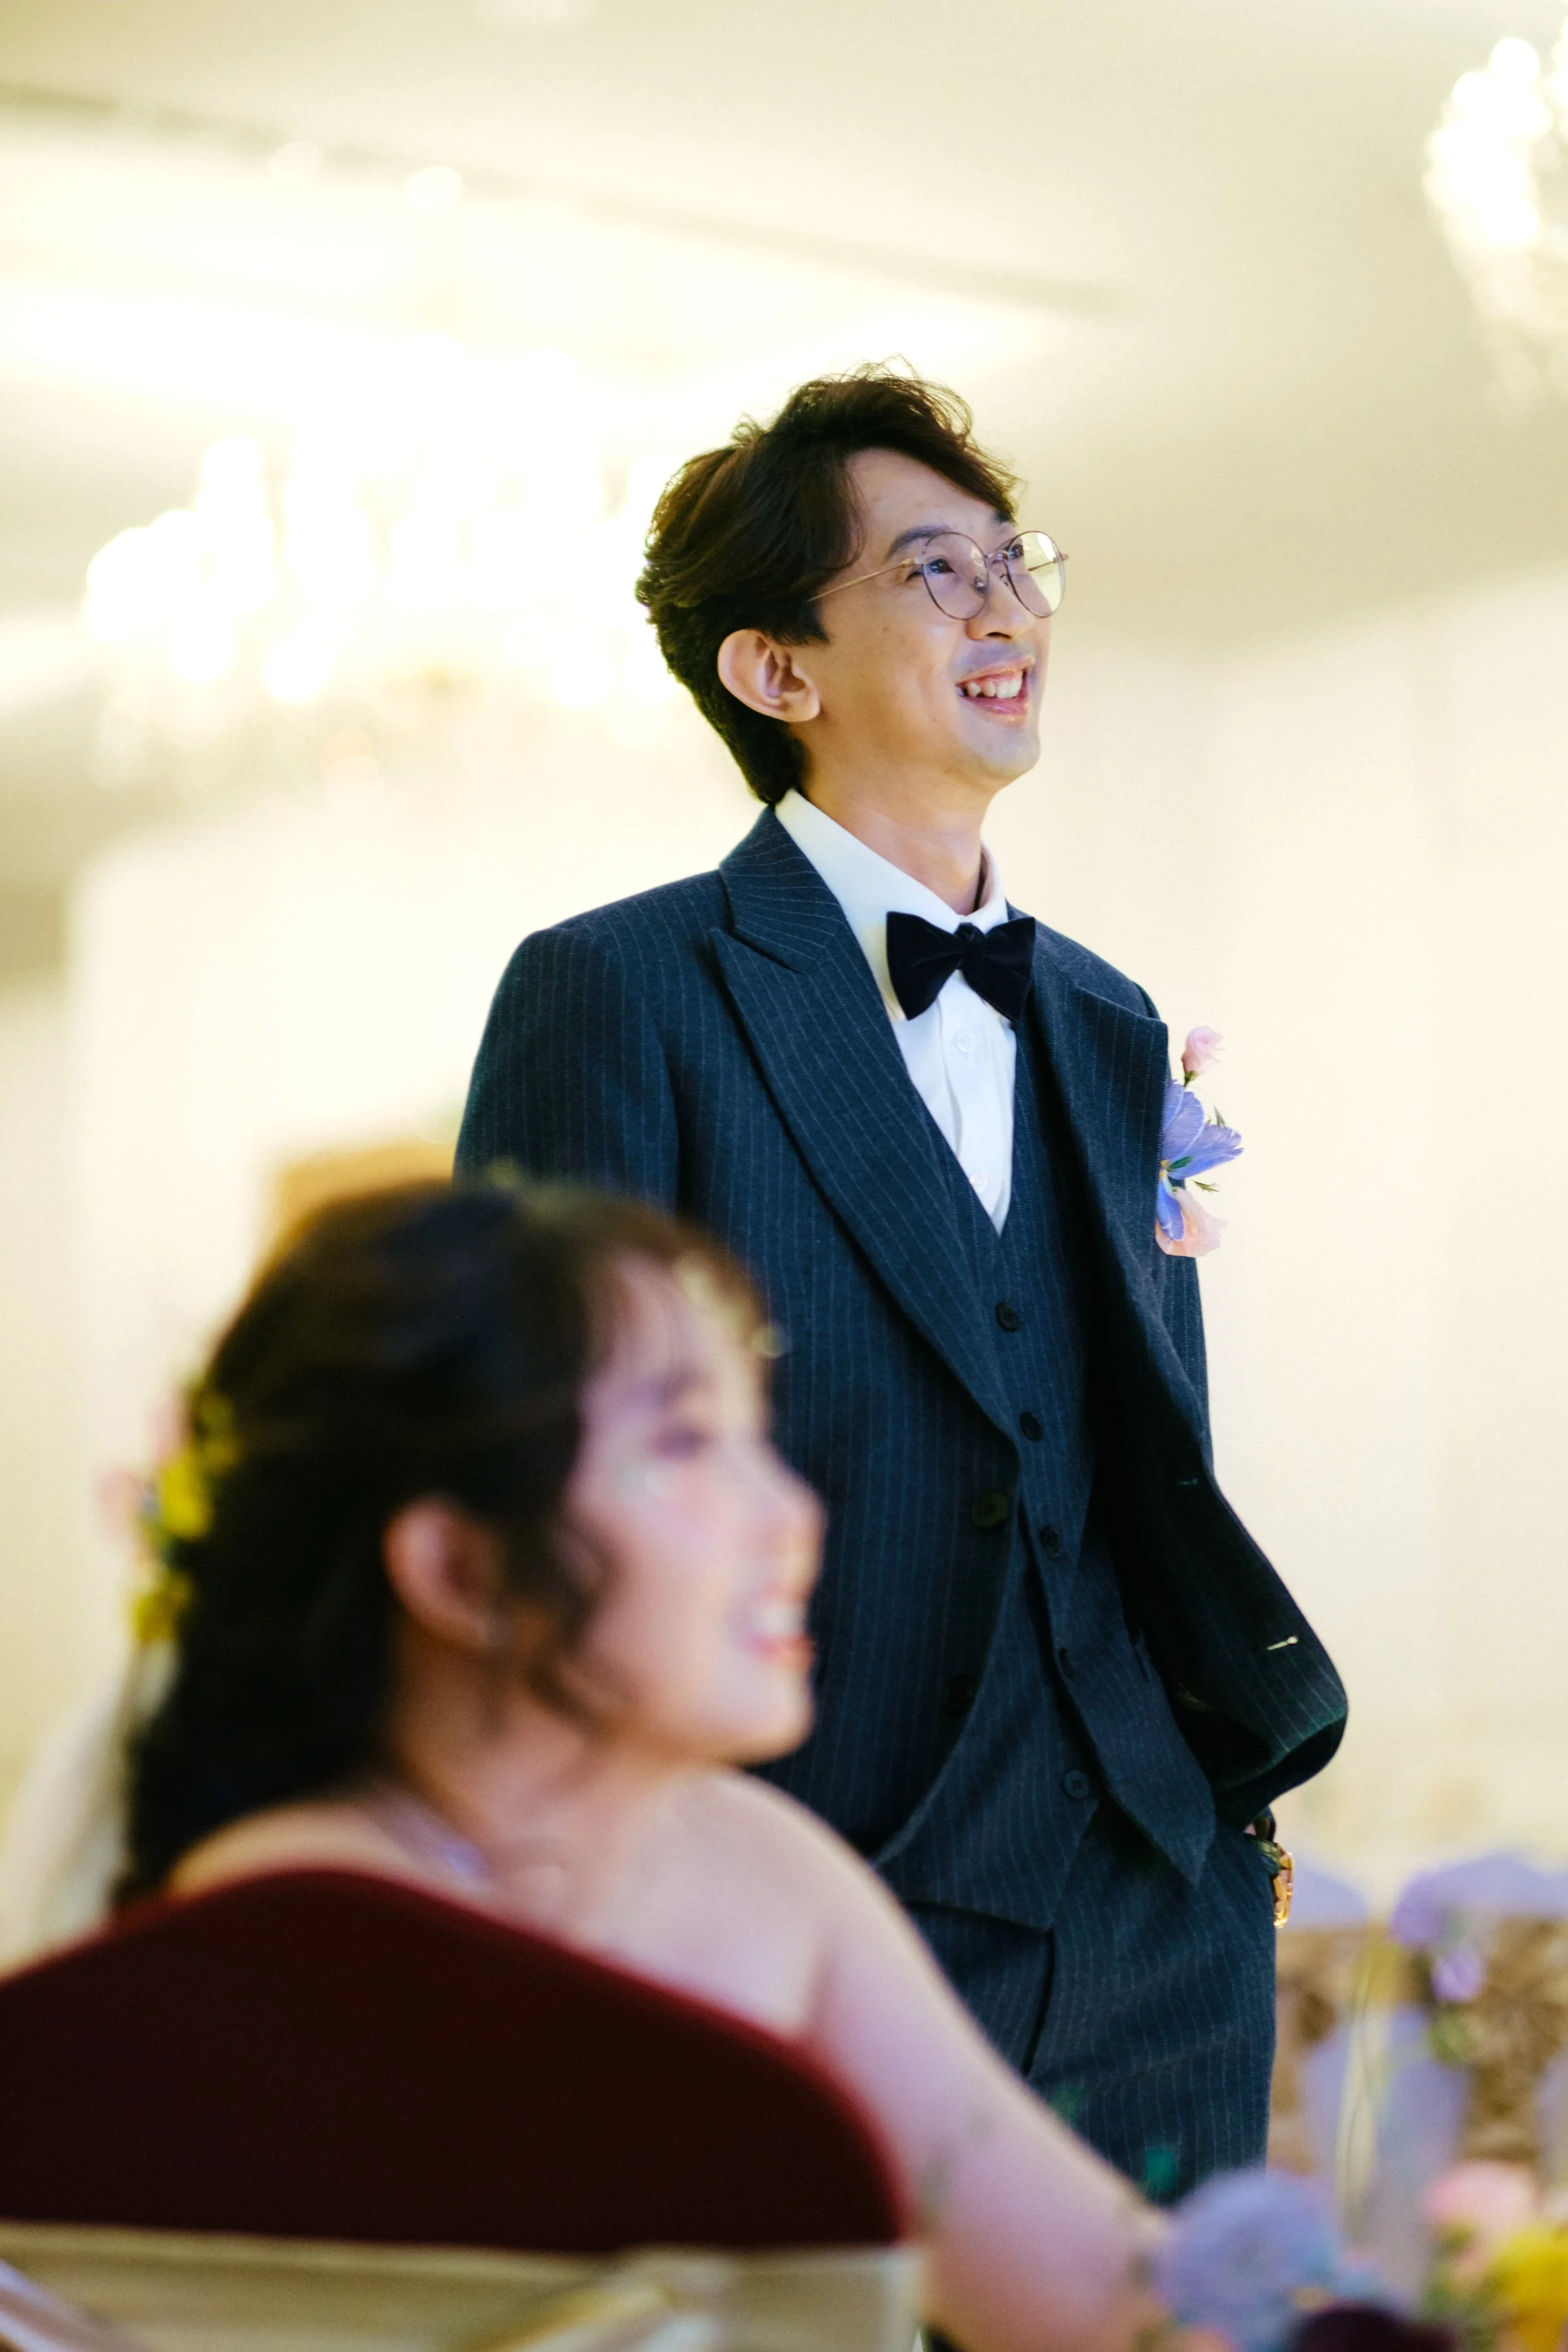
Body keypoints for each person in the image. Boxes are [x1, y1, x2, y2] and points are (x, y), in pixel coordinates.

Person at [456, 365, 1348, 2195]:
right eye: (936, 569)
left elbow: (1139, 1439)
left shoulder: (1105, 1020)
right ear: (773, 670)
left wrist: (1205, 1817)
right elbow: (534, 1471)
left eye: (1016, 562)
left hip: (1152, 1905)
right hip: (802, 1893)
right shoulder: (617, 991)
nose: (1007, 607)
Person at [117, 1178, 1165, 2352]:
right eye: (685, 1442)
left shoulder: (760, 1871)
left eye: (757, 1438)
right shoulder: (294, 1921)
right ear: (461, 1568)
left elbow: (1093, 2291)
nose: (792, 1514)